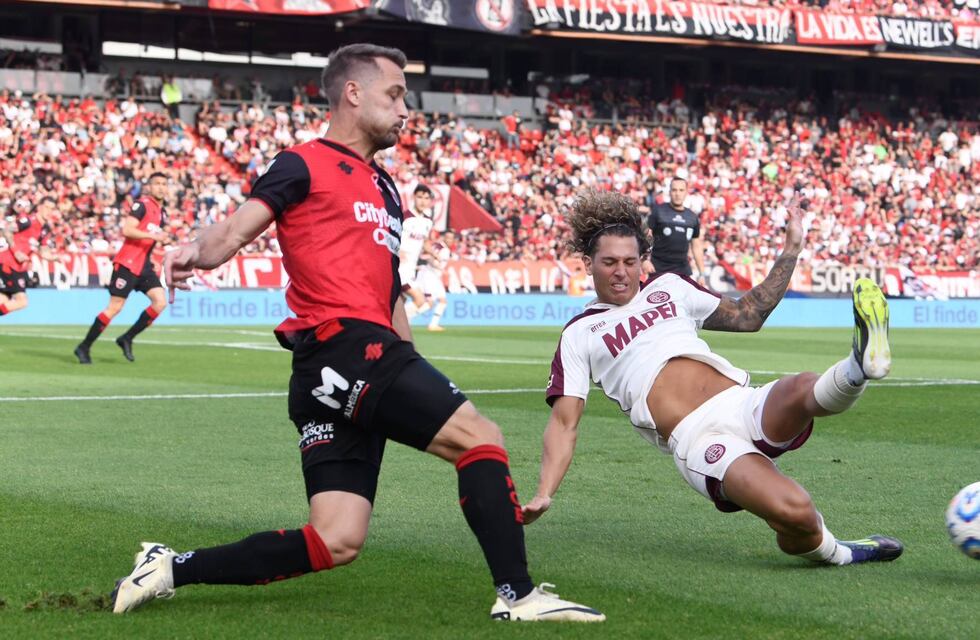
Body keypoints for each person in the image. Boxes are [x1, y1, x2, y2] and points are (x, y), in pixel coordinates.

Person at [110, 44, 603, 623]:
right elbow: (236, 230)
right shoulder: (303, 162)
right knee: (481, 437)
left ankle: (169, 567)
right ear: (352, 92)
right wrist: (195, 249)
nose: (404, 109)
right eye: (394, 94)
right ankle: (518, 596)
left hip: (357, 361)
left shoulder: (387, 189)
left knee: (336, 539)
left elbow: (391, 292)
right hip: (339, 345)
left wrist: (413, 368)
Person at [524, 189, 903, 569]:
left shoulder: (670, 287)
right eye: (608, 262)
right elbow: (563, 423)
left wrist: (792, 248)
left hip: (739, 402)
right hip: (700, 439)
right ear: (588, 264)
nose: (620, 272)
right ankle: (841, 553)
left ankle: (860, 365)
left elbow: (748, 315)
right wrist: (545, 493)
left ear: (644, 260)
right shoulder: (579, 333)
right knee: (797, 512)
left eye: (629, 261)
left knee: (801, 386)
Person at [74, 173, 172, 364]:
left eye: (164, 184)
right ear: (149, 187)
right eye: (157, 184)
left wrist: (150, 256)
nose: (161, 187)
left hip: (143, 265)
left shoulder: (162, 213)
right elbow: (127, 230)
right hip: (127, 263)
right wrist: (154, 238)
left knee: (160, 302)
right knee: (115, 307)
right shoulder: (142, 205)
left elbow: (148, 238)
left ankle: (126, 338)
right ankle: (84, 347)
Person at [644, 176, 706, 283]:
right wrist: (644, 260)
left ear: (686, 192)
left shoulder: (692, 217)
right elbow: (645, 236)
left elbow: (696, 246)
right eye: (674, 190)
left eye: (681, 190)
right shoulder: (658, 211)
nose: (677, 193)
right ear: (669, 192)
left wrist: (701, 274)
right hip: (658, 270)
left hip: (683, 271)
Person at [0, 198, 52, 318]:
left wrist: (55, 258)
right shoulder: (28, 221)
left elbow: (44, 252)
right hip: (9, 263)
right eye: (47, 207)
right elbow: (7, 230)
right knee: (22, 301)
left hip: (19, 268)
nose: (50, 211)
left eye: (52, 208)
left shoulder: (45, 229)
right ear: (40, 207)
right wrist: (16, 251)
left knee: (3, 298)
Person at [399, 184, 434, 320]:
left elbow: (424, 242)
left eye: (426, 198)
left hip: (411, 268)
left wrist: (433, 254)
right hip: (400, 267)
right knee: (420, 300)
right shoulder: (405, 217)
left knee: (400, 303)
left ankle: (395, 329)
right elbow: (391, 235)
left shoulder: (428, 221)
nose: (423, 201)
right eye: (420, 197)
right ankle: (398, 327)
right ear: (414, 197)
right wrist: (398, 250)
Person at [415, 230, 451, 332]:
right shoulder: (440, 248)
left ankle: (433, 325)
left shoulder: (440, 247)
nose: (450, 240)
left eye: (451, 238)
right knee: (429, 303)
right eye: (448, 237)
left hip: (435, 276)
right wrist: (437, 266)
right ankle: (407, 316)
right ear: (443, 237)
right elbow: (427, 257)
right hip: (429, 275)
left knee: (443, 301)